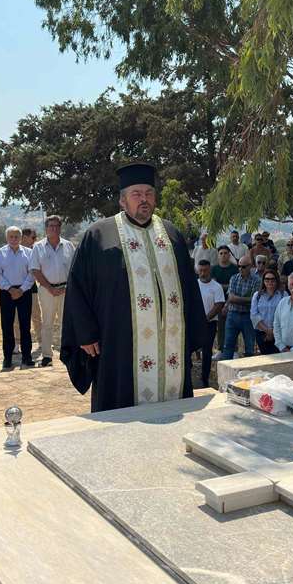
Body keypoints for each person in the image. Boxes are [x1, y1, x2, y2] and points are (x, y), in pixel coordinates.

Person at [60, 162, 208, 412]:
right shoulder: (99, 236)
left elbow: (189, 288)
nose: (144, 200)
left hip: (169, 343)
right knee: (121, 408)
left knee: (173, 403)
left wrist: (193, 331)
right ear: (122, 200)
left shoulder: (171, 234)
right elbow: (78, 287)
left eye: (149, 193)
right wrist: (85, 333)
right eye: (136, 194)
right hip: (119, 344)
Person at [29, 214, 75, 366]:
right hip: (46, 290)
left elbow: (74, 269)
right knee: (47, 323)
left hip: (66, 290)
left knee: (65, 323)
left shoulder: (69, 246)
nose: (54, 228)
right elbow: (35, 270)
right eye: (51, 226)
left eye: (57, 226)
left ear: (60, 228)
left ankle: (66, 353)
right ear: (46, 228)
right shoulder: (38, 247)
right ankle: (47, 356)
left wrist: (66, 287)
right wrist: (50, 288)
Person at [0, 226, 35, 370]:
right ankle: (8, 358)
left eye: (16, 236)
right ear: (7, 238)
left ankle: (27, 357)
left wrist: (22, 289)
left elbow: (32, 273)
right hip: (7, 292)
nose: (14, 239)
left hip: (24, 292)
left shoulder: (29, 253)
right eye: (11, 236)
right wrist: (10, 289)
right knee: (7, 326)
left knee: (25, 326)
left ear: (21, 238)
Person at [220, 255, 261, 360]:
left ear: (250, 266)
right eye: (239, 266)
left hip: (248, 316)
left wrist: (236, 299)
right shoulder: (234, 278)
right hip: (233, 314)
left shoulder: (256, 280)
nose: (240, 269)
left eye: (243, 267)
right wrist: (246, 300)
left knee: (249, 348)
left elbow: (254, 300)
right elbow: (231, 298)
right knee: (228, 345)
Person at [196, 260, 225, 386]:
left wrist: (206, 318)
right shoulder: (194, 285)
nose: (203, 273)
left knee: (207, 352)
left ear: (210, 270)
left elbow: (219, 304)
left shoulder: (216, 287)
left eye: (205, 271)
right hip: (195, 323)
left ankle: (204, 379)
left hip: (209, 323)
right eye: (200, 271)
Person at [211, 245, 238, 360]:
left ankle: (234, 350)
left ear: (229, 254)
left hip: (233, 301)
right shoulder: (214, 269)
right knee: (221, 327)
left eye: (225, 253)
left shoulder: (235, 269)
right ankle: (221, 350)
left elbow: (234, 286)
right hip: (218, 302)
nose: (223, 255)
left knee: (233, 326)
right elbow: (215, 286)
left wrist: (222, 286)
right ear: (218, 255)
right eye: (221, 253)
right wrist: (227, 286)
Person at [20, 228, 44, 358]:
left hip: (32, 288)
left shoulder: (36, 251)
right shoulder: (16, 249)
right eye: (33, 237)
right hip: (17, 289)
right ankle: (17, 343)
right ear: (24, 237)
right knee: (17, 318)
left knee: (36, 315)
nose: (35, 240)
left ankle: (41, 341)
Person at [251, 268, 284, 355]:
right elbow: (254, 315)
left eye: (272, 279)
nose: (270, 281)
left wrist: (273, 331)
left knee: (279, 358)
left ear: (277, 280)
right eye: (267, 279)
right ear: (263, 281)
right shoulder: (257, 295)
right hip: (261, 332)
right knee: (266, 358)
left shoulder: (283, 295)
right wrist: (267, 330)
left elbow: (285, 315)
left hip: (279, 333)